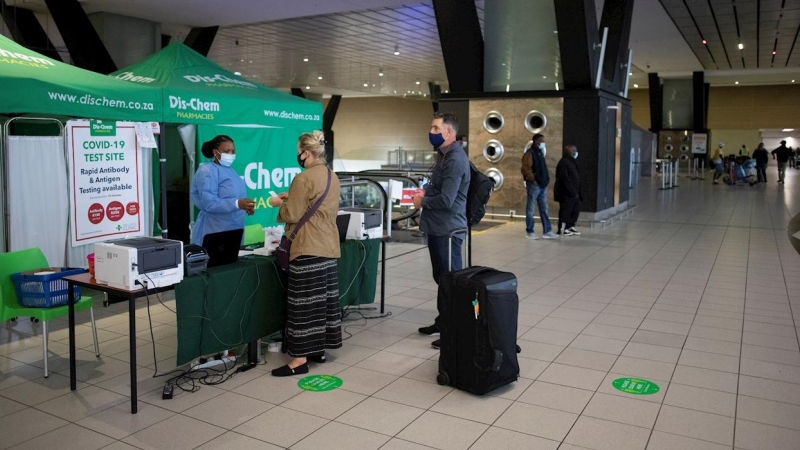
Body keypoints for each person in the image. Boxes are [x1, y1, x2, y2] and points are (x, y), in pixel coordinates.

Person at [268, 131, 342, 376]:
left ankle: (299, 360)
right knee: (321, 303)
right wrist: (295, 199)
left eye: (299, 151)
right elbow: (317, 206)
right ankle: (318, 349)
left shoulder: (303, 178)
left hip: (307, 247)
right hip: (328, 247)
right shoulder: (332, 176)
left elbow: (293, 215)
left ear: (306, 153)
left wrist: (280, 205)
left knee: (301, 305)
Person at [414, 112, 470, 350]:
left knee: (451, 281)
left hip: (448, 230)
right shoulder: (444, 155)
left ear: (449, 132)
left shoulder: (455, 159)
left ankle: (454, 330)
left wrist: (422, 202)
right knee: (442, 278)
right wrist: (425, 193)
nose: (432, 132)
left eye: (436, 128)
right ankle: (443, 321)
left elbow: (447, 199)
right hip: (437, 227)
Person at [190, 135, 255, 245]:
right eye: (227, 151)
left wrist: (245, 207)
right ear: (215, 152)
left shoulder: (230, 171)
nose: (231, 154)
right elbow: (209, 203)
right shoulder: (207, 171)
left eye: (233, 151)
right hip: (214, 229)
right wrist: (237, 203)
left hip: (234, 228)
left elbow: (235, 197)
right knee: (215, 260)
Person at [521, 134, 557, 239]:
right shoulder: (529, 154)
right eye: (542, 141)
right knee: (531, 208)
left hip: (542, 185)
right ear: (536, 141)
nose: (543, 143)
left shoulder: (540, 152)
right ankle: (530, 231)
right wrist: (533, 180)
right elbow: (526, 169)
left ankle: (547, 231)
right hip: (534, 185)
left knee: (544, 208)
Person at [555, 145, 581, 236]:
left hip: (574, 193)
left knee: (575, 209)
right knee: (565, 210)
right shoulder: (563, 162)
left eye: (575, 150)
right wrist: (572, 191)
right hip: (566, 193)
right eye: (573, 151)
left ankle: (570, 226)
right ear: (567, 152)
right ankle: (562, 228)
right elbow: (564, 179)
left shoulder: (572, 162)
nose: (575, 152)